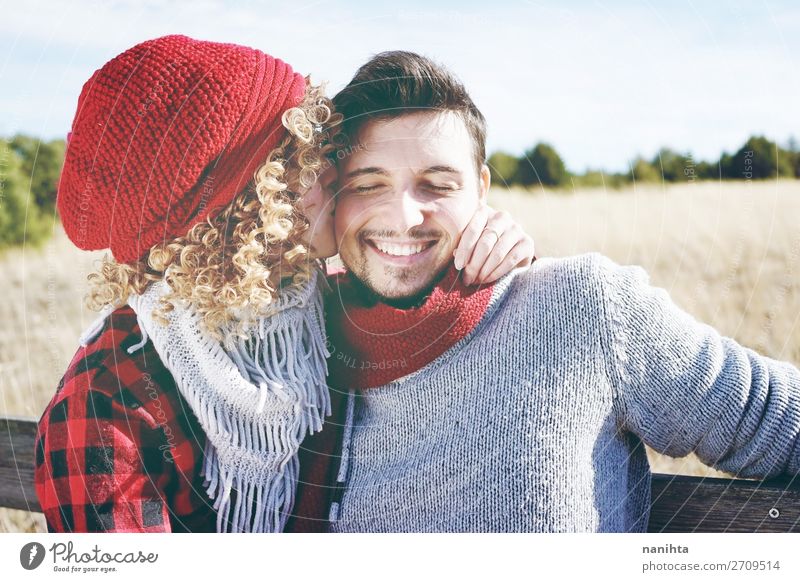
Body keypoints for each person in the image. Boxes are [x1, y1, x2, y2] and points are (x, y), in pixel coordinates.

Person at [33, 35, 535, 533]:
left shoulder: (312, 305)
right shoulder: (106, 401)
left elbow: (417, 283)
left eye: (322, 148)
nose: (332, 173)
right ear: (232, 212)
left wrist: (486, 238)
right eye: (298, 161)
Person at [285, 50, 800, 533]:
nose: (403, 216)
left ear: (481, 190)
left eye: (438, 184)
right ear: (331, 193)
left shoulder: (583, 307)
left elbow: (776, 422)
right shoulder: (289, 343)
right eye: (367, 184)